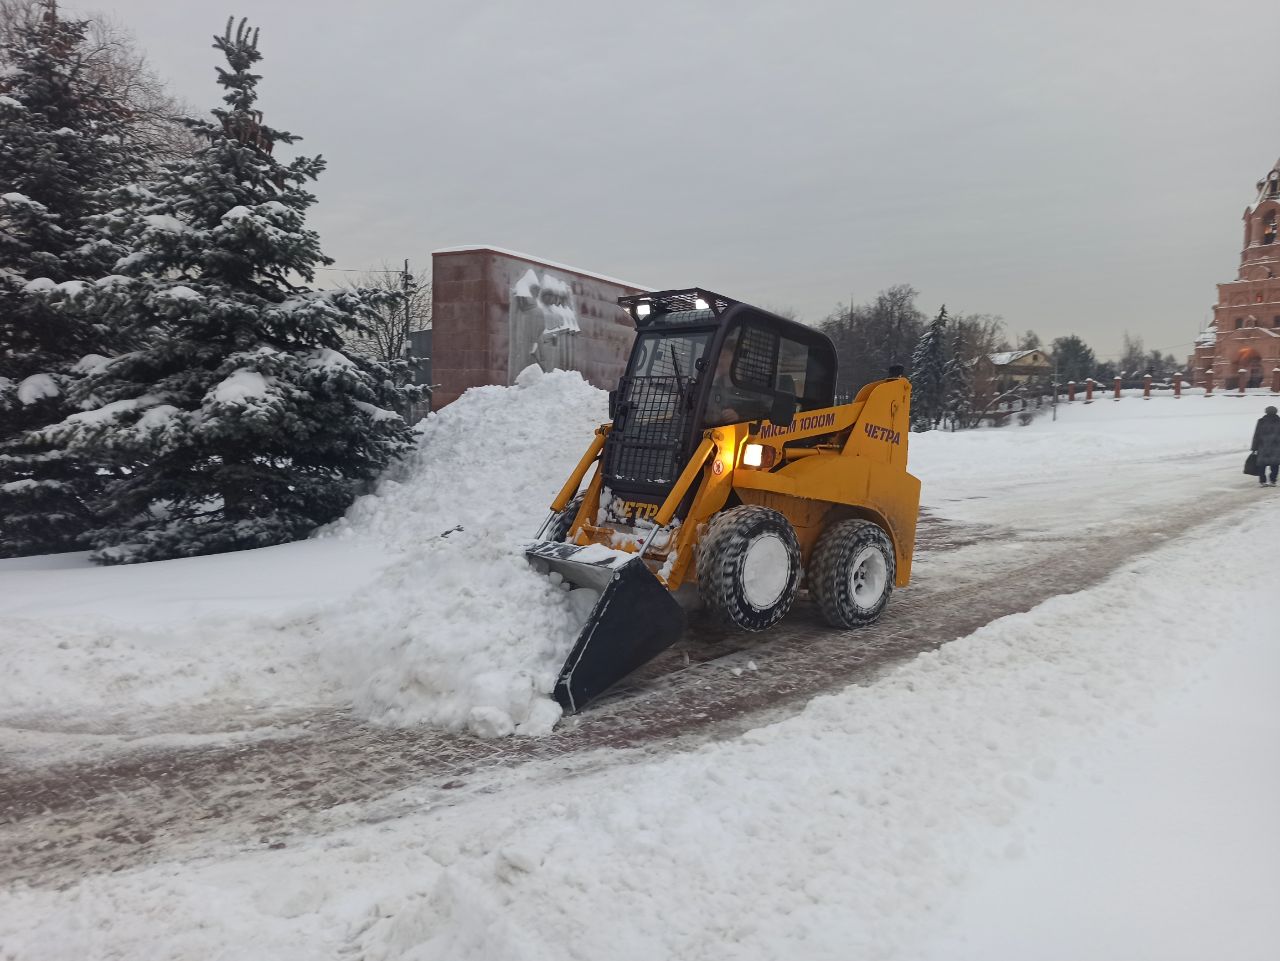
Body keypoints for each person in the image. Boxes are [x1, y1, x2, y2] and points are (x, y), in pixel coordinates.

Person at [1251, 405, 1280, 487]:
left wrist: (1254, 448)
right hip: (1276, 447)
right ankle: (1272, 481)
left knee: (1262, 465)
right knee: (1275, 465)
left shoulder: (1261, 421)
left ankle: (1262, 481)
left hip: (1263, 446)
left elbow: (1256, 435)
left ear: (1266, 412)